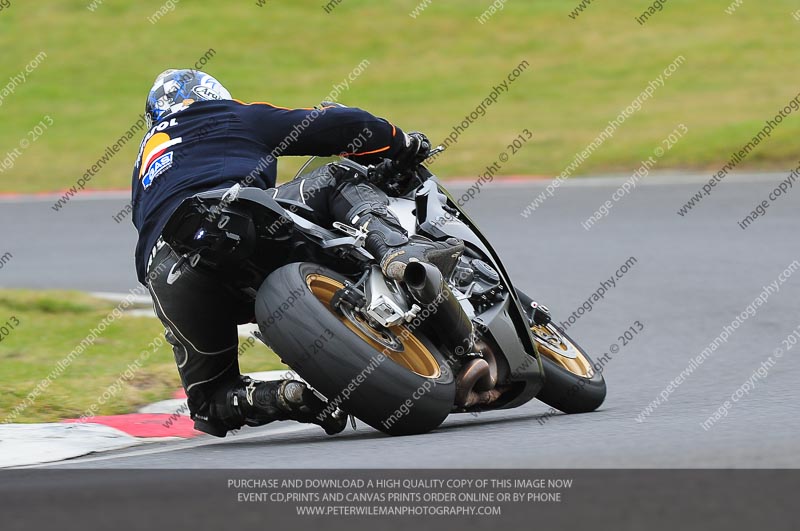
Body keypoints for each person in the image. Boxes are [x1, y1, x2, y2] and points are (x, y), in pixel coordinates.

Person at [132, 69, 464, 437]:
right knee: (336, 176)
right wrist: (398, 142)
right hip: (233, 216)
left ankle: (284, 397)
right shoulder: (222, 114)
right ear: (212, 94)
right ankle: (395, 252)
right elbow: (336, 125)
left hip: (165, 270)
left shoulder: (144, 162)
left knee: (211, 402)